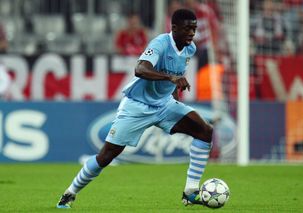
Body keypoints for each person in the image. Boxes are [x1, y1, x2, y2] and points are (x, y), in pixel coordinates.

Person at [56, 9, 214, 209]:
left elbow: (176, 74)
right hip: (137, 105)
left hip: (165, 104)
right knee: (106, 156)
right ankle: (70, 193)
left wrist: (174, 92)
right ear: (173, 28)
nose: (192, 33)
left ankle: (191, 191)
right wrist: (170, 78)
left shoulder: (189, 49)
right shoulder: (160, 43)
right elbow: (140, 69)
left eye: (194, 28)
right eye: (187, 28)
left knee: (204, 130)